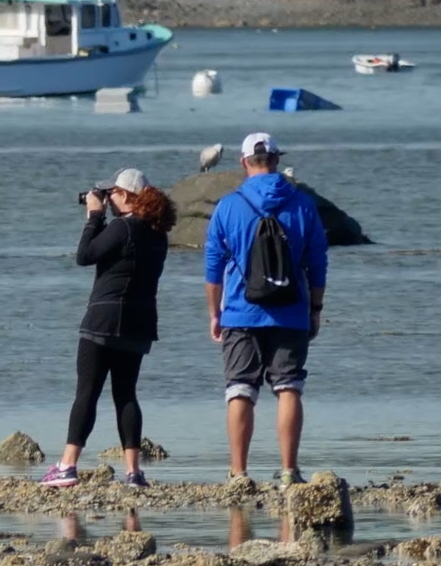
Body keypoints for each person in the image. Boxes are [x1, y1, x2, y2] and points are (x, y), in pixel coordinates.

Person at [203, 132, 328, 489]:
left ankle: (239, 473)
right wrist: (315, 309)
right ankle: (289, 470)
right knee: (288, 387)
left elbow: (213, 267)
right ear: (275, 160)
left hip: (241, 312)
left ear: (244, 162)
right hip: (291, 310)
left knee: (240, 389)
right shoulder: (303, 204)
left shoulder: (229, 205)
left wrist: (215, 313)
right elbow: (317, 262)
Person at [41, 168, 176, 489]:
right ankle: (133, 472)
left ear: (127, 196)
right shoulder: (157, 234)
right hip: (139, 324)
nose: (108, 199)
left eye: (112, 193)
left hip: (103, 320)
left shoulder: (122, 227)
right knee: (126, 394)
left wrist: (93, 216)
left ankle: (67, 466)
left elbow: (84, 256)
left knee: (86, 392)